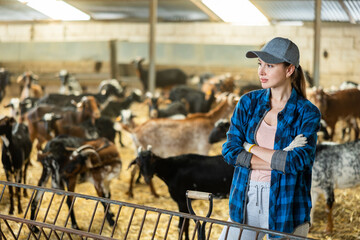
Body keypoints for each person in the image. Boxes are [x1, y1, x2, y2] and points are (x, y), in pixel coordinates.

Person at [219, 37, 321, 239]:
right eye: (260, 64)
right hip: (244, 198)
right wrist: (279, 159)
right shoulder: (248, 102)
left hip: (286, 204)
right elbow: (229, 151)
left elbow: (297, 162)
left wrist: (249, 147)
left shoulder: (307, 112)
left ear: (289, 70)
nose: (261, 72)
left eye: (270, 65)